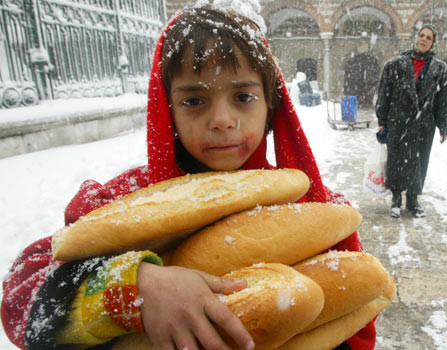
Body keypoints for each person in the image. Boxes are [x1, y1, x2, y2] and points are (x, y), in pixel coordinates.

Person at [1, 6, 376, 350]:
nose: (222, 120)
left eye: (243, 96)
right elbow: (20, 293)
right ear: (167, 111)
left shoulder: (313, 210)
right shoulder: (125, 202)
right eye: (194, 101)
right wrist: (136, 286)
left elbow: (356, 307)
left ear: (271, 104)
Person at [375, 24, 447, 218]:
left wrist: (444, 125)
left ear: (433, 43)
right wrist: (382, 119)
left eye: (429, 37)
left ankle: (412, 200)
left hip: (424, 124)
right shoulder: (395, 64)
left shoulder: (441, 70)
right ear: (416, 38)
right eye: (422, 35)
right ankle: (395, 200)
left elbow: (445, 100)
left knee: (419, 161)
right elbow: (384, 93)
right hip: (398, 121)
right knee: (396, 160)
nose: (424, 39)